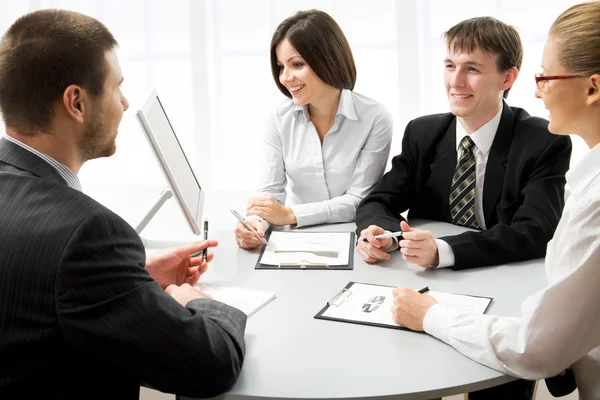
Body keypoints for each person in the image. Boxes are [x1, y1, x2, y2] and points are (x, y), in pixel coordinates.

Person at [0, 10, 245, 400]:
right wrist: (197, 303)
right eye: (117, 87)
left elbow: (32, 285)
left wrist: (132, 276)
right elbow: (212, 365)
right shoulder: (86, 233)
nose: (126, 103)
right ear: (76, 102)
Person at [391, 2, 600, 398]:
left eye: (545, 76)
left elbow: (535, 349)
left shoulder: (556, 155)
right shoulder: (424, 132)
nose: (538, 91)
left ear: (593, 87)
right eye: (450, 65)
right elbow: (382, 197)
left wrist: (432, 314)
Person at [356, 16, 571, 272]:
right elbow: (378, 201)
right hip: (425, 278)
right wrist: (383, 235)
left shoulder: (543, 141)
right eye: (450, 66)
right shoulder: (422, 133)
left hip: (503, 276)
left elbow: (536, 230)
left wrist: (444, 250)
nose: (455, 81)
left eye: (472, 69)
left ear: (507, 78)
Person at [234, 9, 393, 249]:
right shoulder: (278, 119)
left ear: (327, 59)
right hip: (294, 241)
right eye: (281, 67)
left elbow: (359, 200)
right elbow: (270, 193)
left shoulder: (375, 118)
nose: (285, 77)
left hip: (355, 241)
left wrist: (290, 215)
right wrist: (255, 223)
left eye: (296, 64)